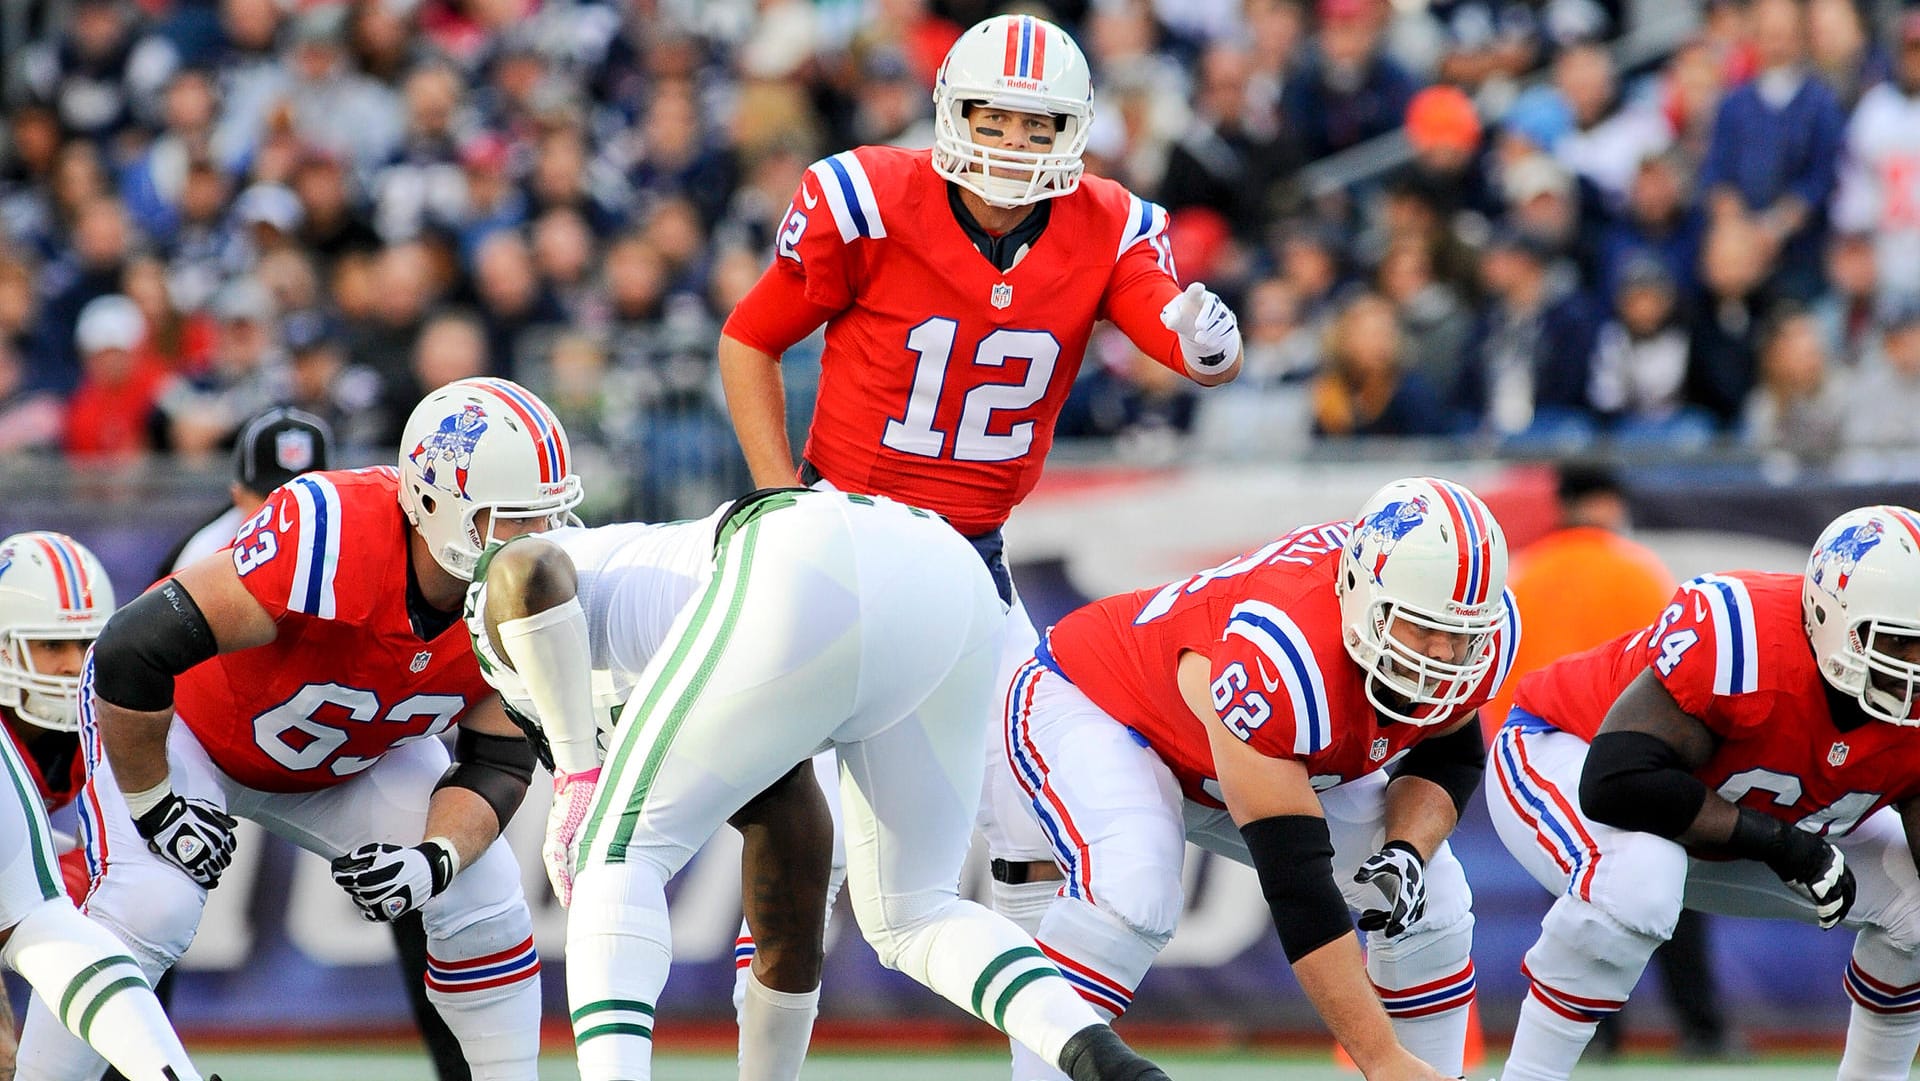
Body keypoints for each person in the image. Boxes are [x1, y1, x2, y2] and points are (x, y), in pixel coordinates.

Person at [718, 12, 1244, 1052]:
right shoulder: (867, 197)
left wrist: (1199, 341)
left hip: (969, 562)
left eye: (1034, 123)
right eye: (989, 118)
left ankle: (1036, 1067)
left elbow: (1160, 317)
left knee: (1025, 825)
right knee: (795, 847)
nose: (1008, 143)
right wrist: (781, 501)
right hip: (840, 540)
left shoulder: (1112, 224)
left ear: (1076, 130)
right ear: (949, 112)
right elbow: (749, 340)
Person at [465, 487, 1172, 1081]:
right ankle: (1102, 1056)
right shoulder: (700, 666)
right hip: (947, 572)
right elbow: (793, 883)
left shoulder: (558, 587)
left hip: (798, 558)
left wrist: (578, 768)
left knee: (615, 853)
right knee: (914, 914)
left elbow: (523, 571)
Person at [15, 378, 582, 1081]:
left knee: (482, 884)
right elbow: (133, 648)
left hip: (348, 759)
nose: (537, 541)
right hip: (190, 737)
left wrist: (434, 855)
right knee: (150, 904)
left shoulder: (525, 592)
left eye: (548, 517)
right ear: (432, 502)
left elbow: (496, 760)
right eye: (513, 519)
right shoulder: (334, 530)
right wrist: (153, 802)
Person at [996, 477, 1519, 1081]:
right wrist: (1379, 1060)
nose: (1443, 656)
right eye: (1419, 629)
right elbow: (1300, 892)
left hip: (1242, 755)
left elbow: (1449, 755)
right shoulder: (1282, 658)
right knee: (1131, 892)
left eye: (1458, 635)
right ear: (1360, 593)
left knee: (1432, 900)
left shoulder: (1475, 636)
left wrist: (1405, 850)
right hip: (1098, 702)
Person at [1487, 504, 1920, 1081]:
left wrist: (1784, 843)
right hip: (1563, 748)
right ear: (1829, 616)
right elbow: (1617, 781)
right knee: (1640, 881)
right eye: (1899, 643)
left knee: (1915, 911)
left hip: (1728, 821)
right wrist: (1784, 845)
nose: (1915, 667)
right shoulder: (1745, 637)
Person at [1480, 465, 1732, 1059]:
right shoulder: (1636, 570)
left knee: (1577, 902)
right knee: (1674, 892)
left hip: (1550, 761)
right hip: (1640, 757)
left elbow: (1494, 680)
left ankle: (1589, 1037)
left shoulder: (1525, 577)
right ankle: (1703, 1030)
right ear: (1609, 503)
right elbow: (1681, 671)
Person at [0, 532, 218, 1081]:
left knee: (132, 904)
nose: (76, 666)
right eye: (51, 646)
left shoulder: (107, 716)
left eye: (86, 644)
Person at [160, 407, 334, 577]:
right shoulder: (203, 558)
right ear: (238, 495)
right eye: (270, 499)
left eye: (303, 498)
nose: (286, 510)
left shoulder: (346, 536)